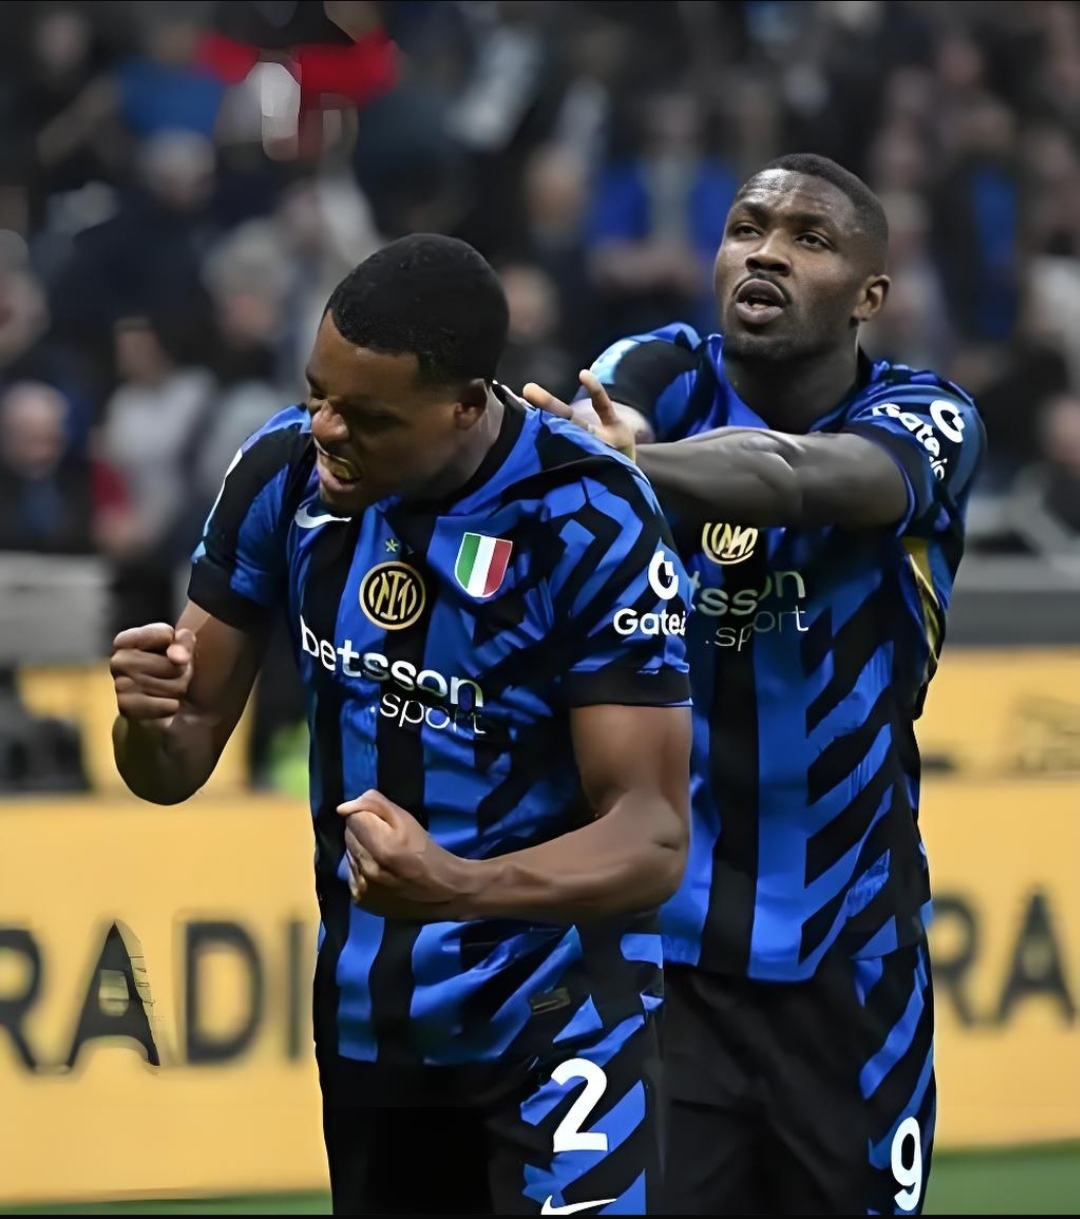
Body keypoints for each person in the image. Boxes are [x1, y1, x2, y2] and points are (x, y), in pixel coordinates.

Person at [109, 234, 692, 1217]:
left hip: (562, 1018)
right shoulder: (280, 474)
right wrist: (143, 717)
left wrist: (459, 883)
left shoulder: (590, 515)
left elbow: (654, 834)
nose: (327, 429)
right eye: (316, 393)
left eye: (369, 416)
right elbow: (170, 765)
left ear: (465, 403)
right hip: (371, 1027)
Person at [522, 153, 987, 1216]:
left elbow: (809, 476)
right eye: (747, 227)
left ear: (870, 294)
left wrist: (626, 471)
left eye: (809, 239)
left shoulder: (929, 417)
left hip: (854, 960)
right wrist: (615, 453)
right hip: (661, 963)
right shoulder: (658, 370)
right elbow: (610, 425)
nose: (767, 252)